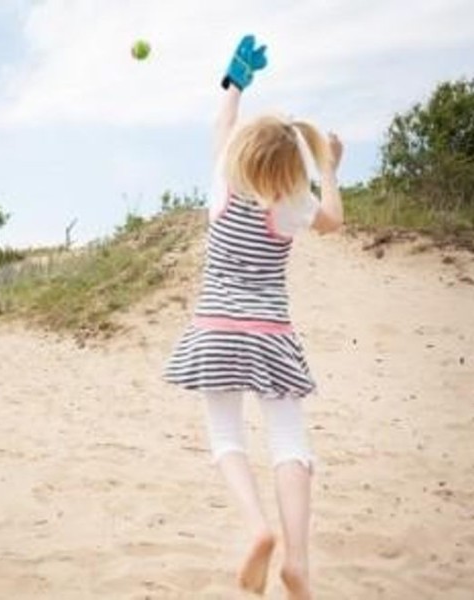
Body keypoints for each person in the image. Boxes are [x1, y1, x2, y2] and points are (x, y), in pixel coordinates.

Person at [164, 35, 344, 599]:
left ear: (244, 154)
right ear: (293, 164)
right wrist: (330, 169)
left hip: (215, 328)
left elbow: (224, 122)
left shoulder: (224, 182)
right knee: (291, 444)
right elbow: (334, 221)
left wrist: (236, 81)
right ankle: (298, 560)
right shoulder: (293, 204)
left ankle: (257, 529)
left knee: (225, 437)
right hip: (271, 336)